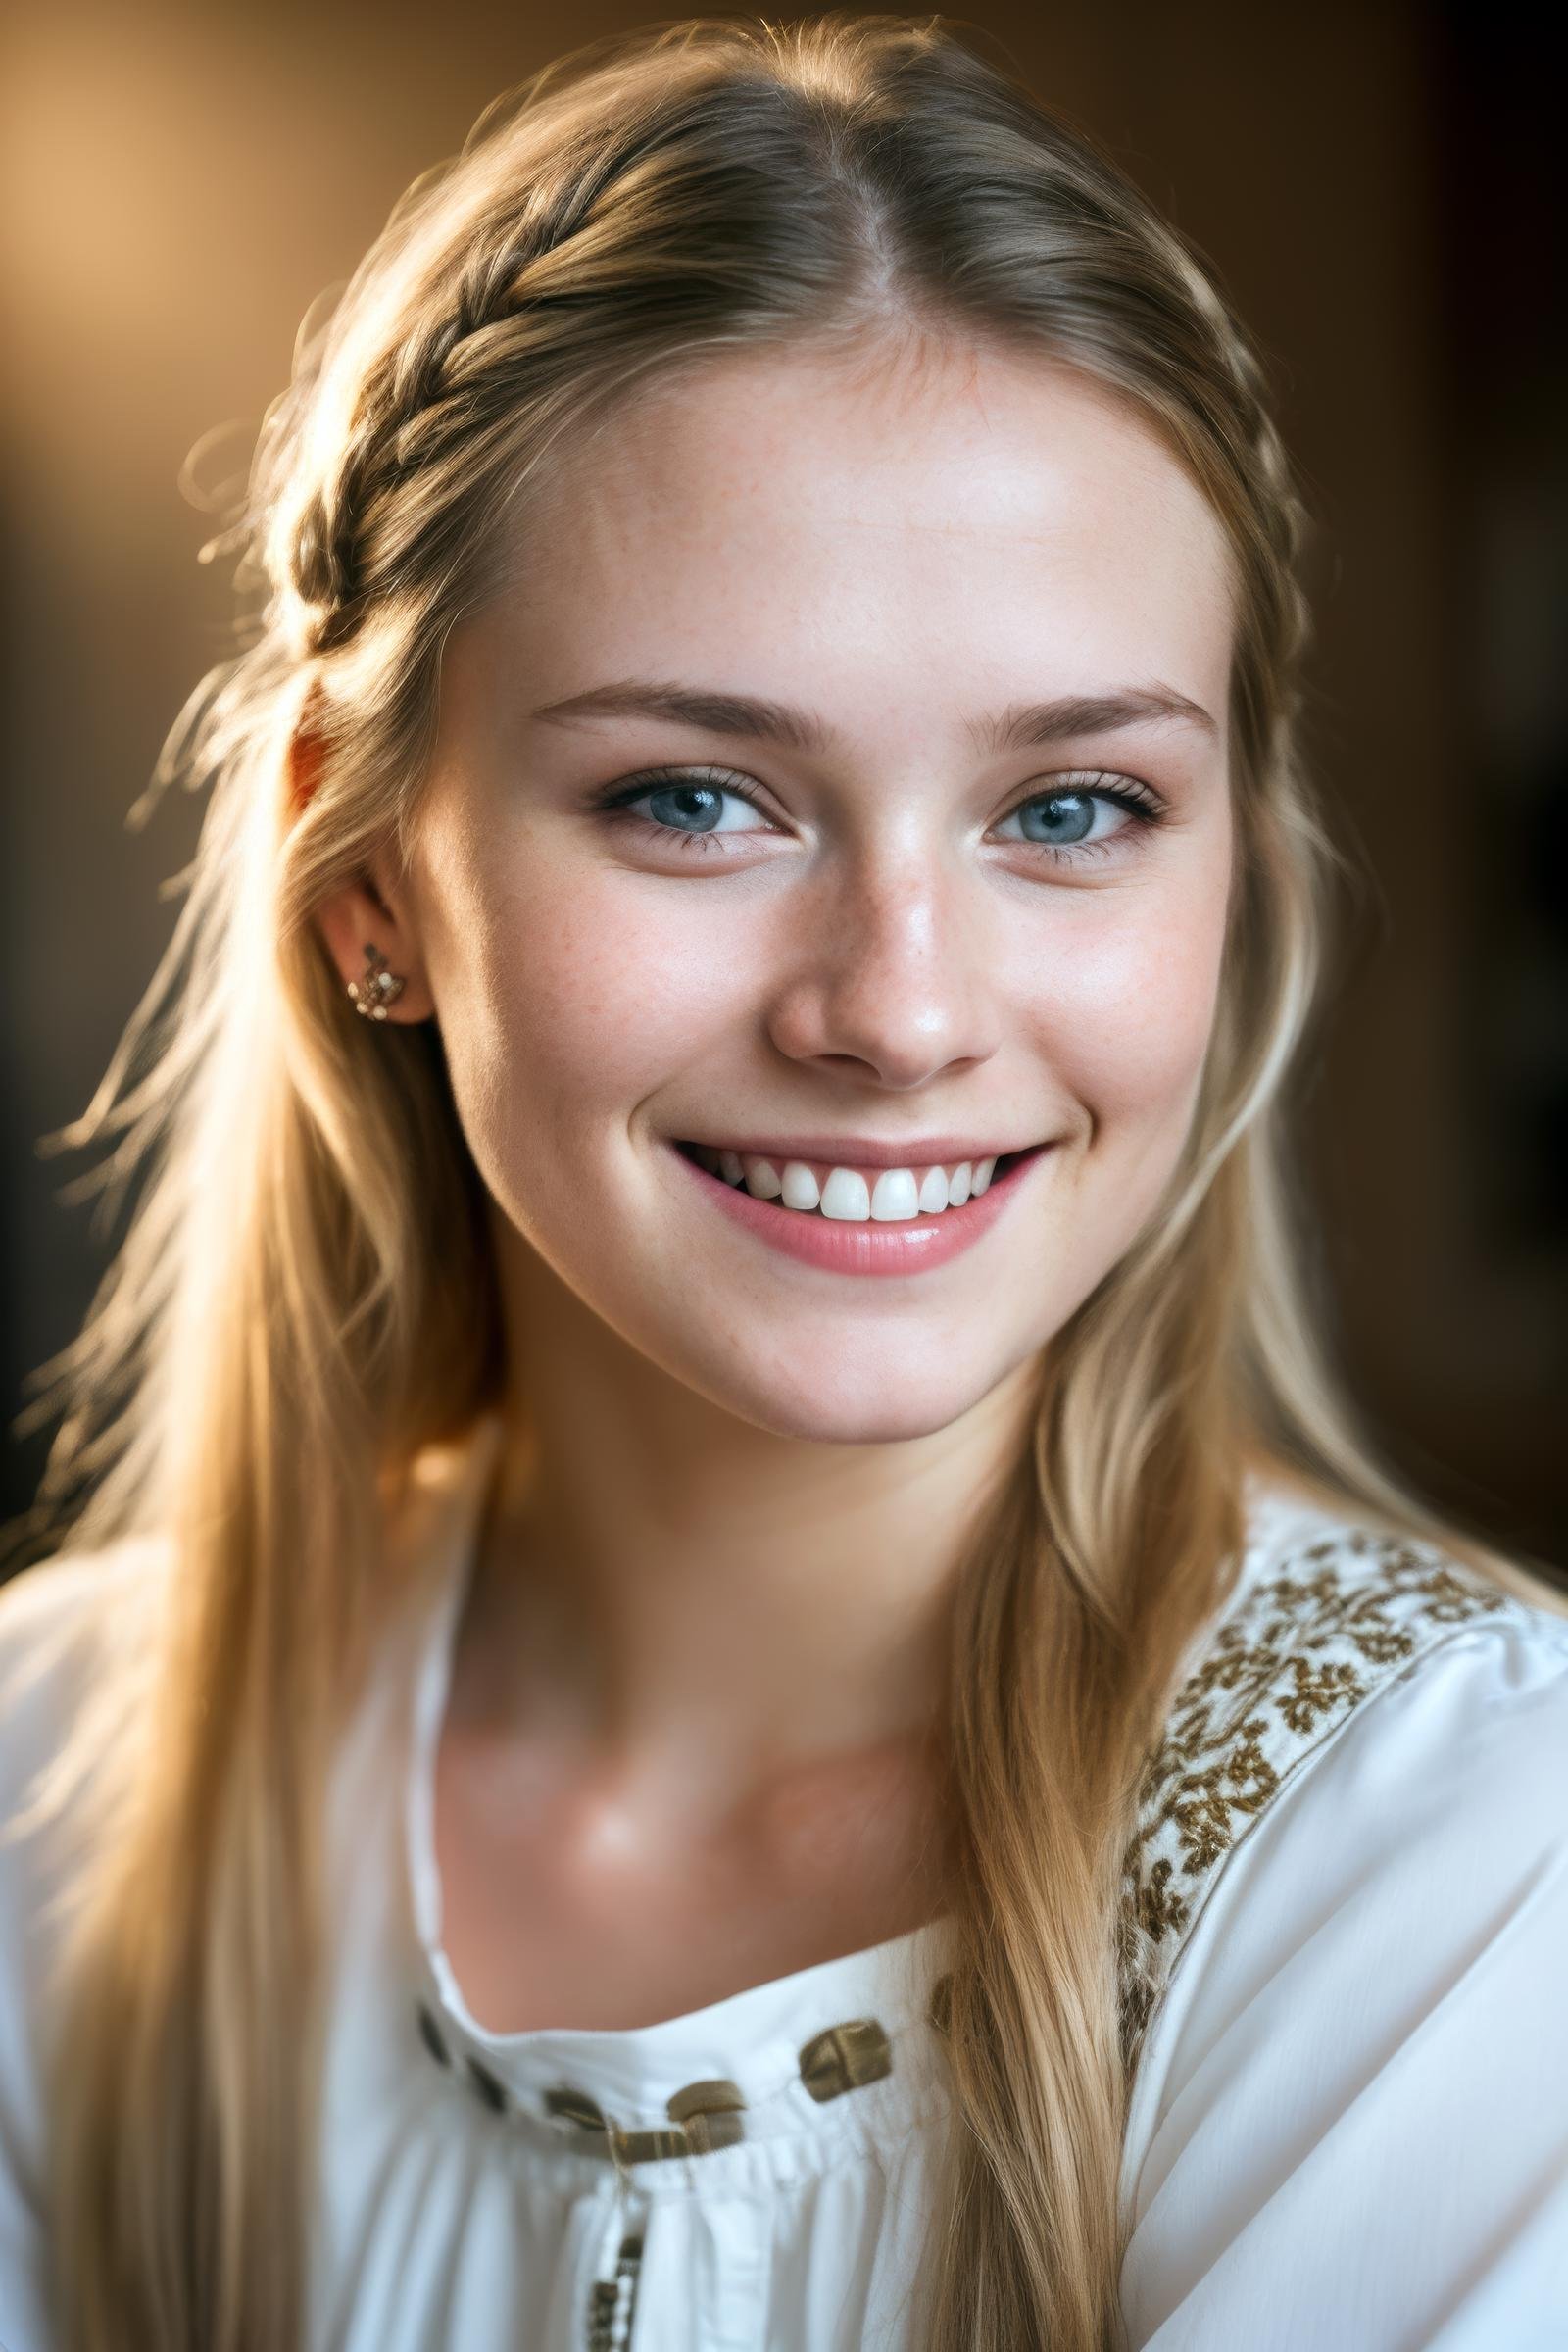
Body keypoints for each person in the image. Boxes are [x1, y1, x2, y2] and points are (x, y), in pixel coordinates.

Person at [2, 14, 1565, 2351]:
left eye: (1066, 810)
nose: (898, 1010)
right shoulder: (46, 1796)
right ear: (368, 877)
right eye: (694, 798)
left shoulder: (1460, 1869)